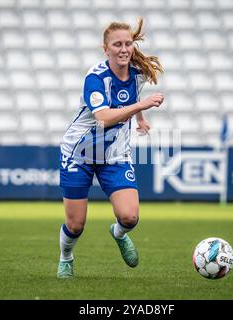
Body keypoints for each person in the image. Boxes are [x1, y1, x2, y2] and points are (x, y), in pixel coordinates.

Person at [57, 17, 164, 278]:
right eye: (117, 44)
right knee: (76, 224)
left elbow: (132, 97)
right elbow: (103, 117)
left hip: (114, 154)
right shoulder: (96, 78)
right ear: (106, 49)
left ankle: (117, 234)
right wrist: (141, 107)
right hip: (79, 153)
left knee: (129, 217)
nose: (124, 49)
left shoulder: (136, 74)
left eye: (128, 43)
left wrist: (140, 119)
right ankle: (66, 257)